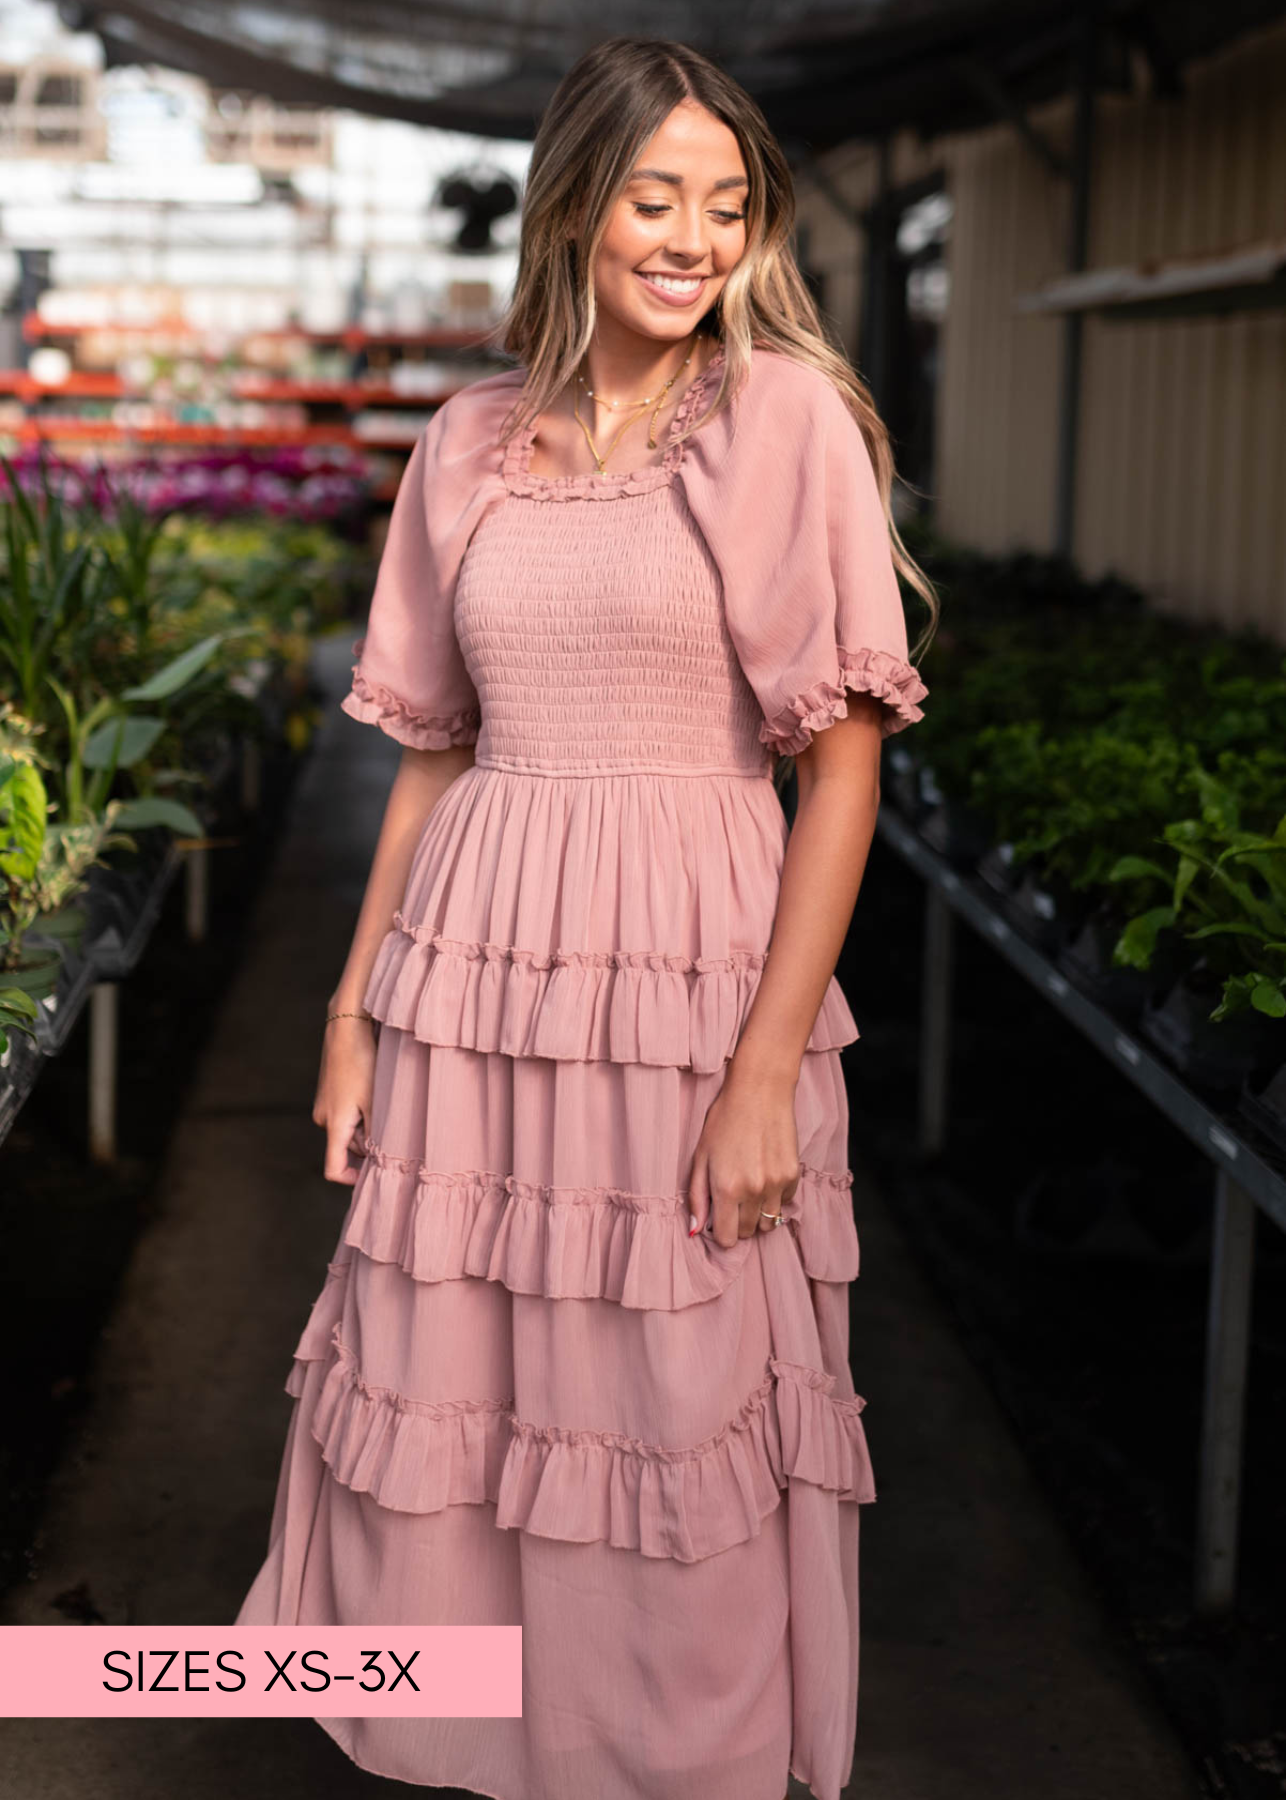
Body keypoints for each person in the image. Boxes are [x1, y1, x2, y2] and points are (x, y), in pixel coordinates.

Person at [235, 32, 936, 1800]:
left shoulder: (781, 424)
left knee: (667, 1396)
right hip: (471, 989)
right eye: (654, 197)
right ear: (572, 211)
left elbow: (840, 769)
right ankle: (484, 1748)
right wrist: (348, 1020)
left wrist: (767, 1068)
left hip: (693, 987)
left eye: (727, 202)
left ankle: (665, 1760)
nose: (694, 236)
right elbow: (426, 754)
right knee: (461, 1392)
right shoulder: (464, 444)